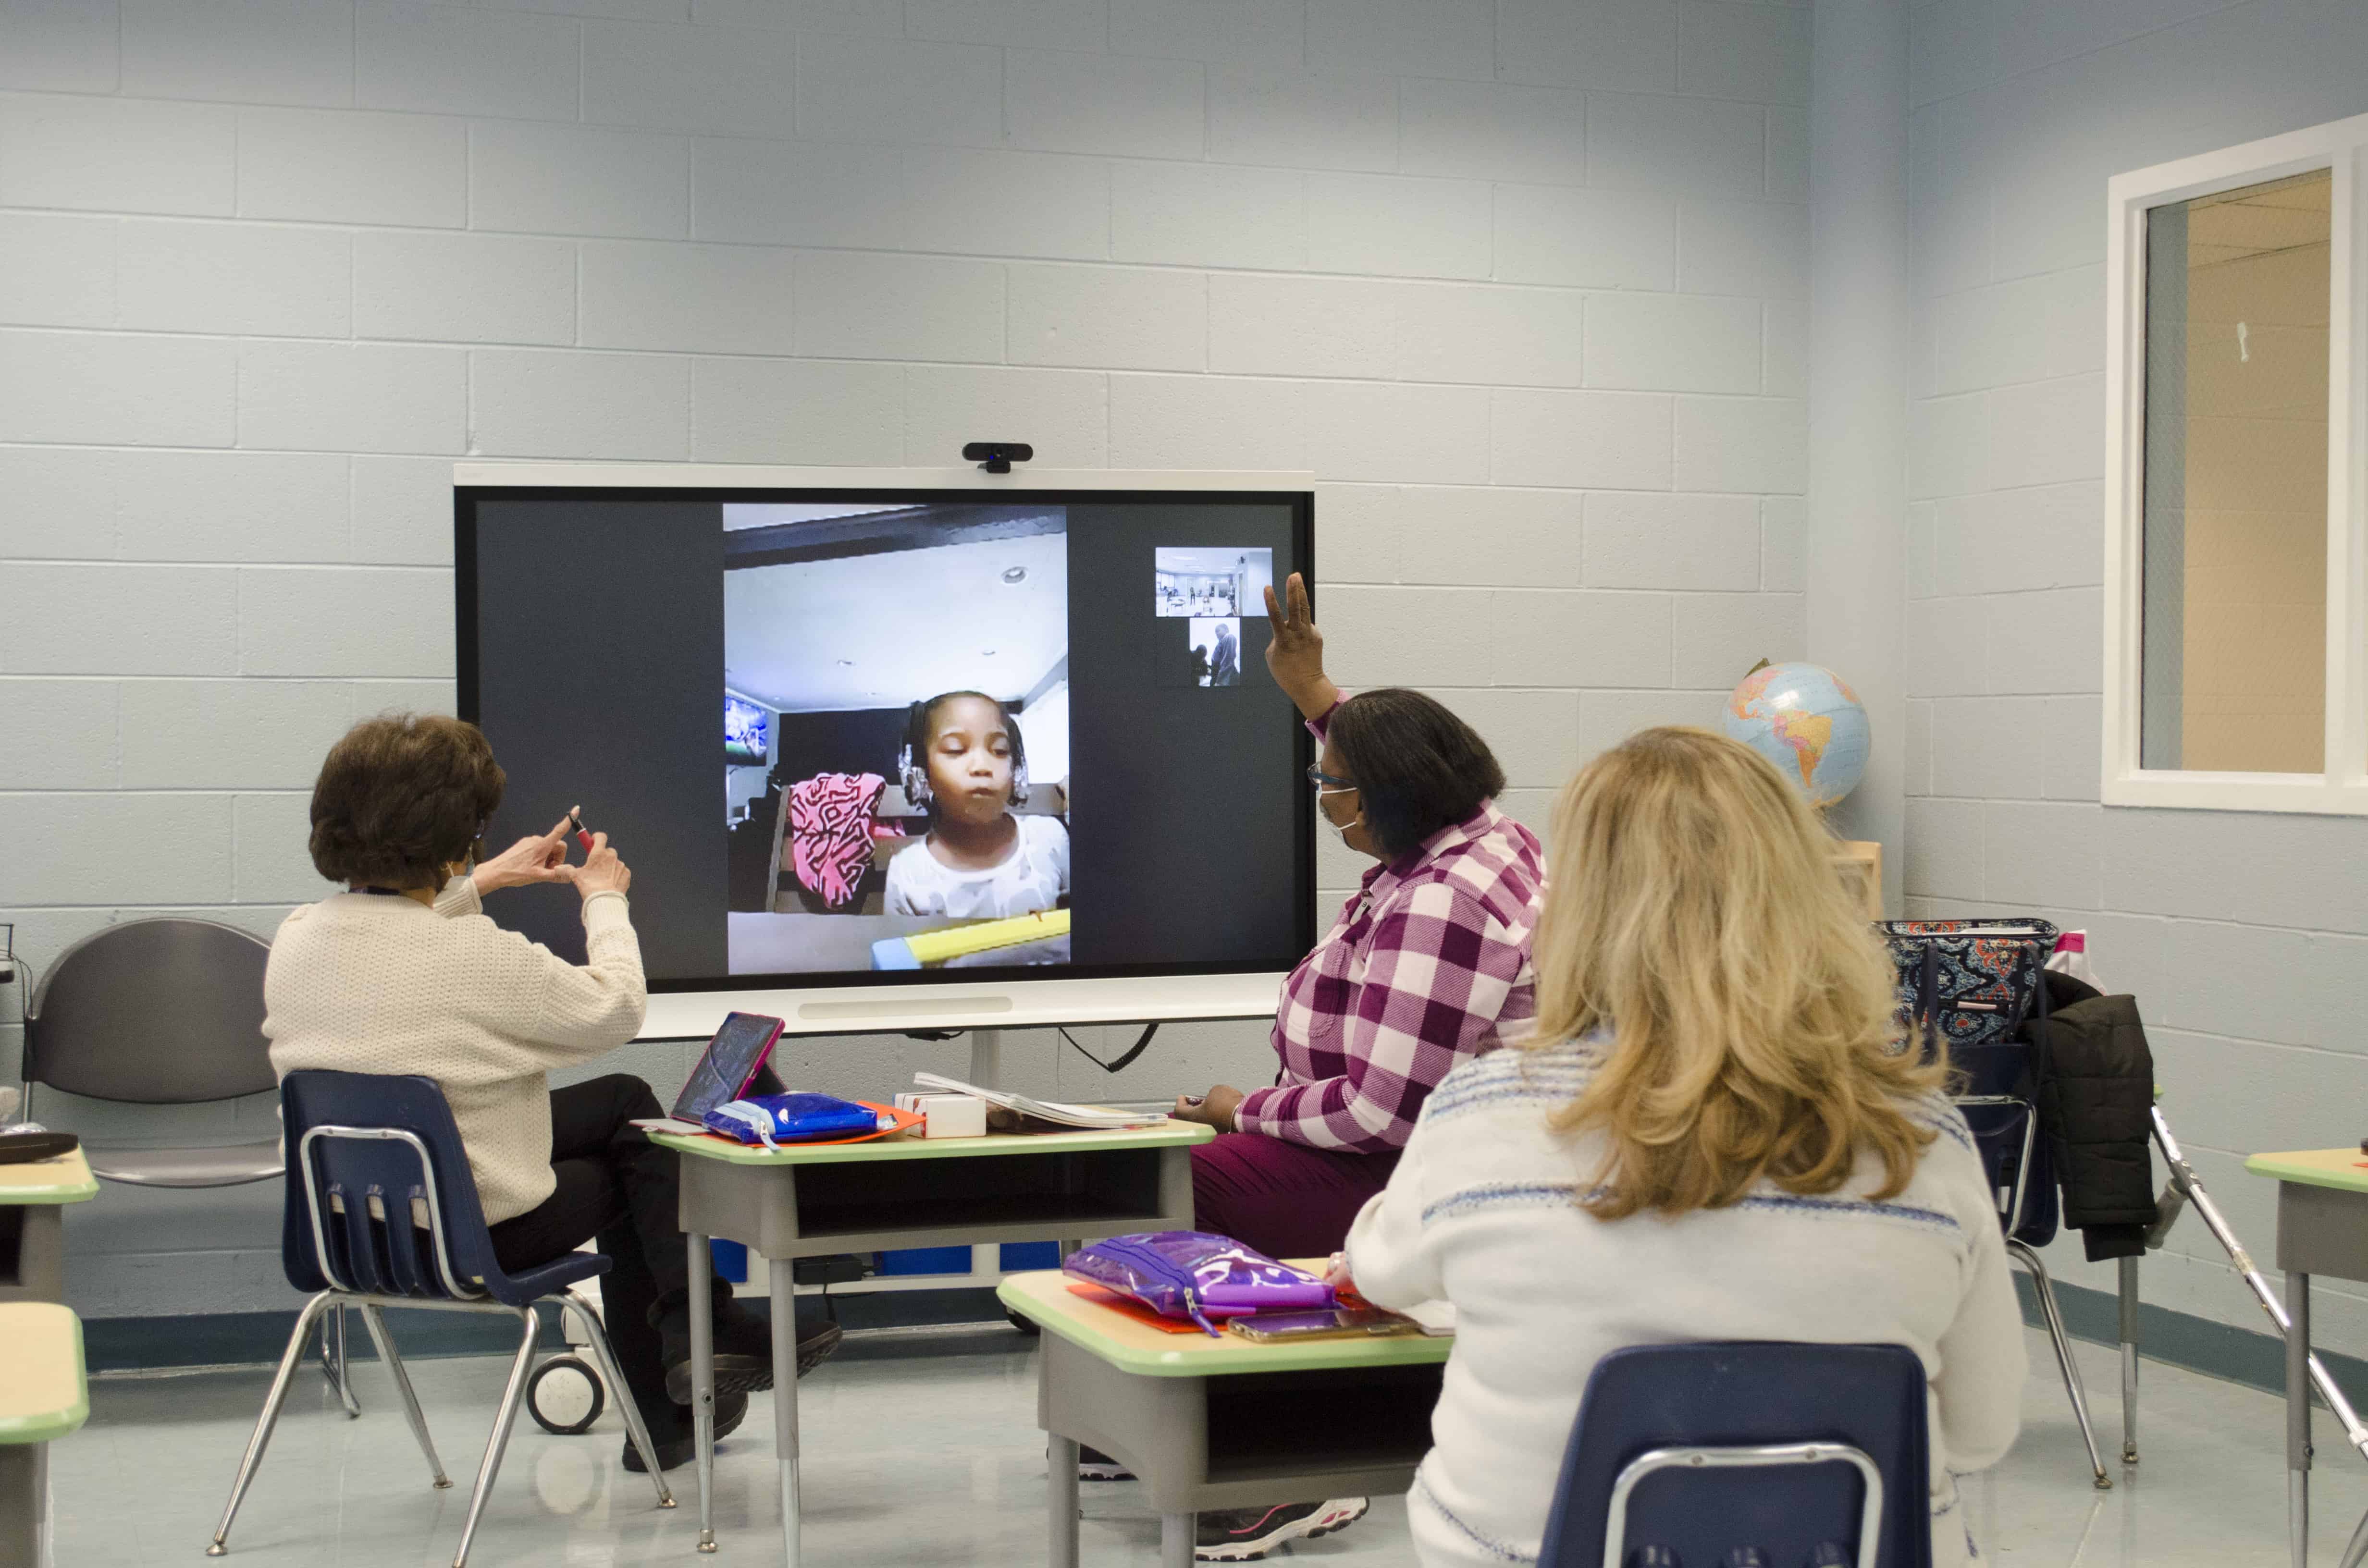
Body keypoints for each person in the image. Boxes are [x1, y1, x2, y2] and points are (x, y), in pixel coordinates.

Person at [1342, 728, 2026, 1567]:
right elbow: (1982, 1429)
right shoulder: (1920, 1135)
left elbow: (1379, 1269)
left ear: (1577, 908)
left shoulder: (1481, 1115)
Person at [262, 713, 842, 1474]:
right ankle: (687, 1357)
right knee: (637, 1163)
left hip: (346, 1232)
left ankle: (689, 1361)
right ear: (453, 838)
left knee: (624, 1107)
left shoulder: (298, 936)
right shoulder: (474, 959)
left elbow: (394, 946)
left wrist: (485, 880)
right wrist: (603, 899)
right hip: (468, 1239)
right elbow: (617, 1007)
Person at [1155, 574, 1544, 1561]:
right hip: (1432, 1148)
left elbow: (1380, 1111)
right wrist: (1313, 693)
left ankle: (1272, 1464)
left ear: (1386, 802)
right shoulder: (1482, 832)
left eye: (1333, 791)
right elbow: (1388, 764)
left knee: (1179, 1181)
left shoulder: (1439, 904)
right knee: (1183, 1163)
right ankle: (1171, 1423)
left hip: (1416, 1171)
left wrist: (1244, 1112)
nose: (1325, 804)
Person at [884, 690, 1070, 923]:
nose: (982, 766)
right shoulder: (907, 872)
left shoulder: (1048, 838)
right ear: (924, 770)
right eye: (955, 750)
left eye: (1000, 751)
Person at [1209, 621, 1239, 687]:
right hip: (1217, 676)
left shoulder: (1228, 637)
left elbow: (1228, 660)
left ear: (1226, 630)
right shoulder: (1222, 641)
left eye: (1218, 631)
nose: (1216, 633)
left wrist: (1221, 682)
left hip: (1224, 679)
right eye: (1215, 632)